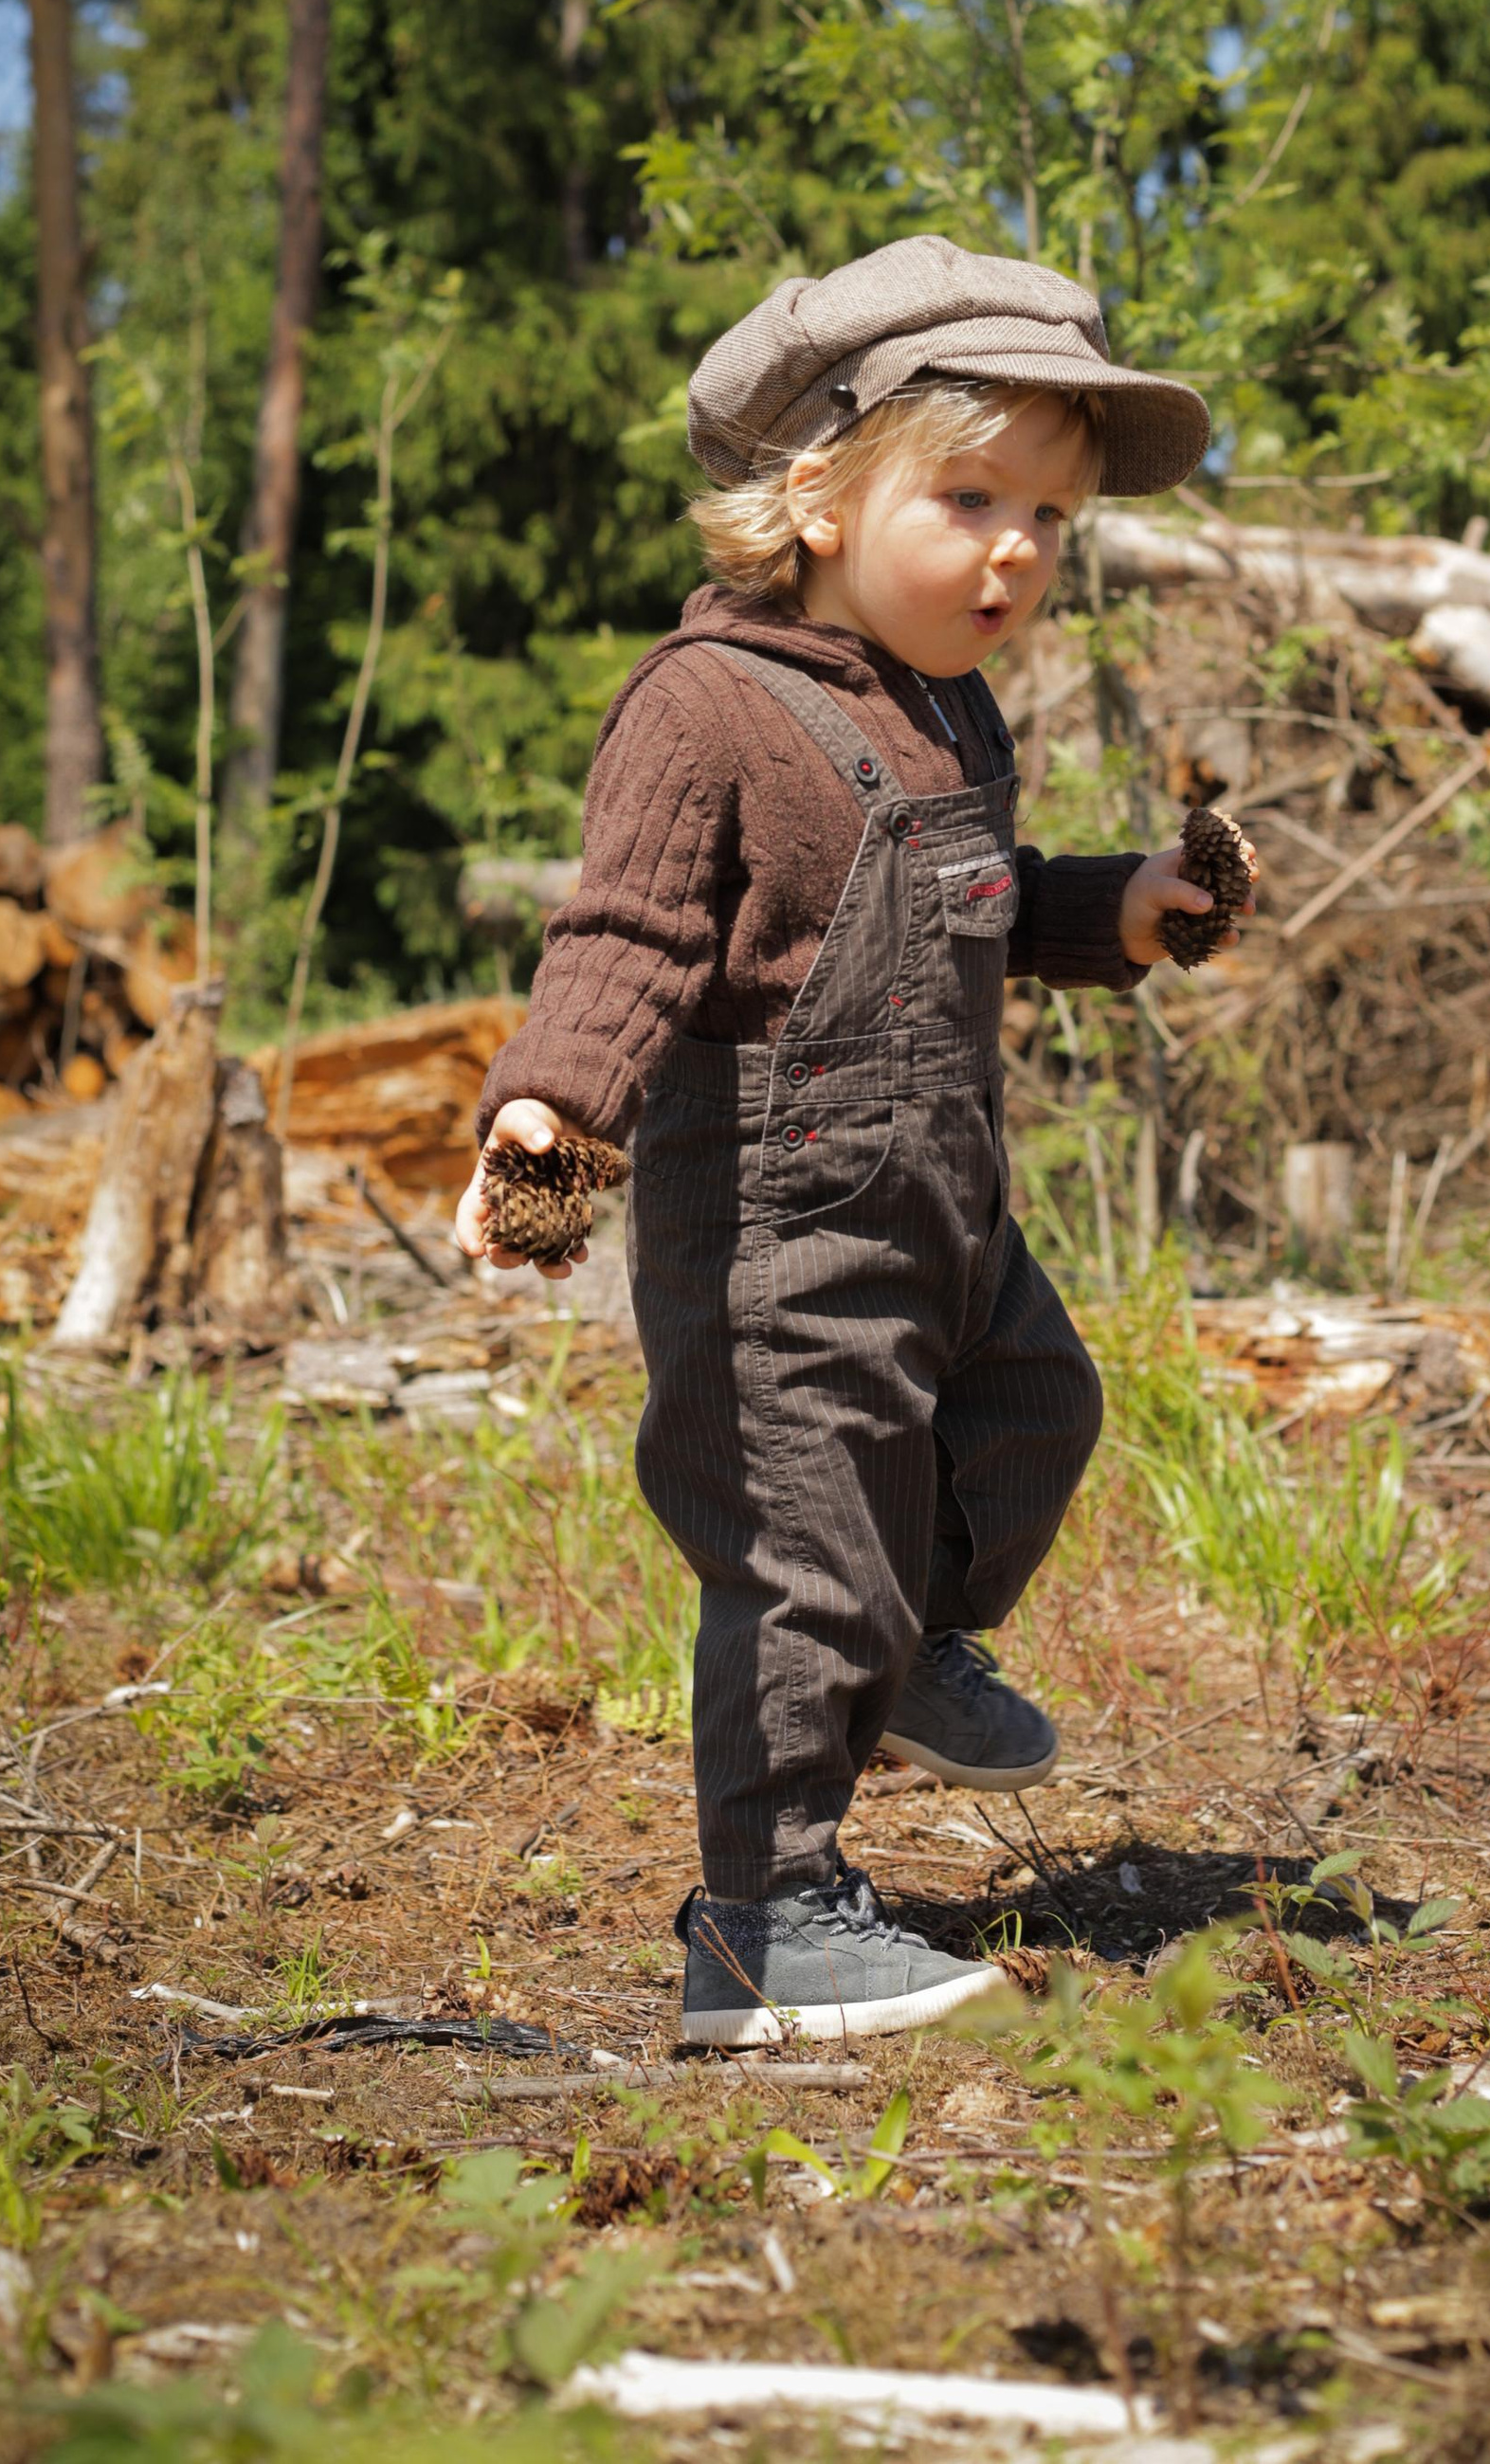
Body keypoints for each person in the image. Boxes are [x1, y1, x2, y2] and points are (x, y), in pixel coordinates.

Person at [453, 234, 1229, 2044]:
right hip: (781, 1227)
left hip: (945, 1197)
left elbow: (975, 897)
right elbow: (625, 945)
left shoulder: (944, 704)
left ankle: (906, 1651)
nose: (1016, 549)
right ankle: (766, 1922)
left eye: (1050, 513)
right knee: (805, 1558)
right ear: (813, 489)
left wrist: (1119, 910)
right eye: (967, 497)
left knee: (1041, 1412)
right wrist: (547, 1139)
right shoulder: (703, 708)